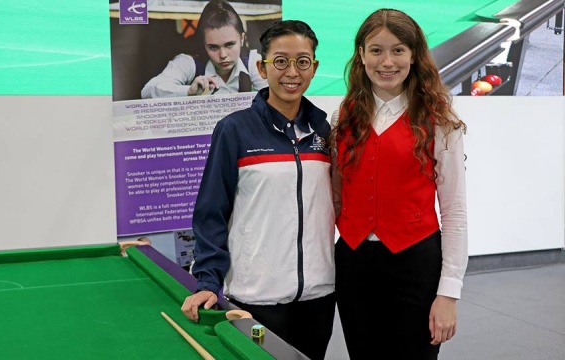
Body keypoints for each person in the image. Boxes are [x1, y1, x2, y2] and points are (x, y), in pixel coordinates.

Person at [181, 20, 336, 360]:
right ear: (262, 67)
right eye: (280, 61)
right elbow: (211, 212)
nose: (291, 72)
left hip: (319, 297)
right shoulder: (234, 130)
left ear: (314, 68)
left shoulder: (325, 131)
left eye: (302, 61)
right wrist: (208, 281)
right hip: (256, 298)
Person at [330, 8, 468, 360]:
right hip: (354, 265)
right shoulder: (341, 118)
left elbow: (454, 211)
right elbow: (334, 198)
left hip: (416, 265)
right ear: (361, 55)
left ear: (414, 55)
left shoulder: (441, 123)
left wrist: (449, 293)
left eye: (398, 50)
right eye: (376, 50)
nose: (386, 61)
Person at [140, 0, 267, 99]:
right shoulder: (189, 63)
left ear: (242, 39)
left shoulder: (252, 62)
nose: (223, 55)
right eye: (213, 47)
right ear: (203, 43)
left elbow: (276, 94)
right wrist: (189, 91)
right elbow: (148, 91)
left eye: (229, 45)